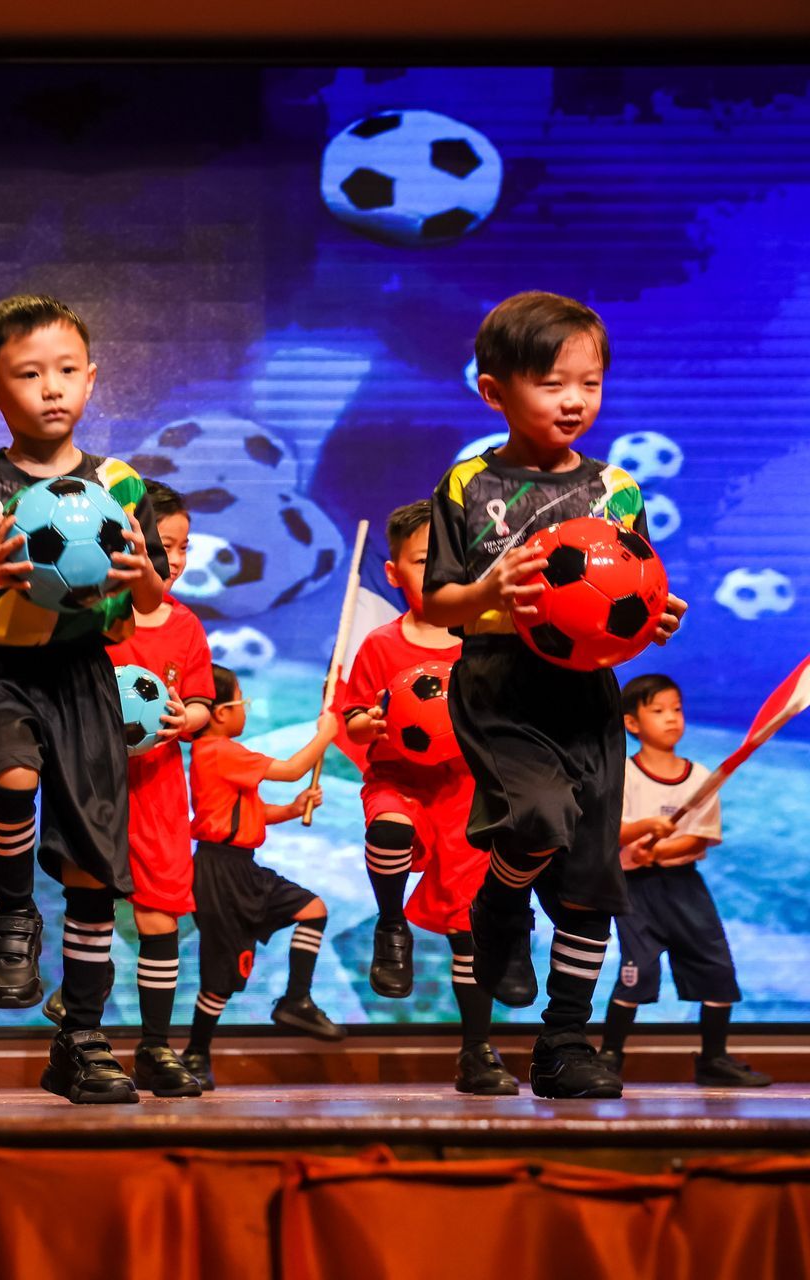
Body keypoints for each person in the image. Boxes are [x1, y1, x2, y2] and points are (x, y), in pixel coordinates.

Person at [422, 291, 684, 1099]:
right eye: (550, 383)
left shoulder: (618, 490)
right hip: (502, 690)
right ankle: (501, 908)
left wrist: (653, 617)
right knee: (535, 819)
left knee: (592, 878)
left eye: (591, 383)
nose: (574, 401)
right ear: (494, 391)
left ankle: (564, 1044)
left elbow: (629, 592)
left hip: (587, 698)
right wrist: (489, 587)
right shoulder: (468, 483)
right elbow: (438, 603)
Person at [0, 294, 169, 1105]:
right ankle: (12, 911)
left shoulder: (119, 483)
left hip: (83, 679)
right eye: (29, 375)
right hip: (0, 673)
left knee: (93, 871)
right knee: (14, 778)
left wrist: (144, 580)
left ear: (92, 378)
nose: (52, 388)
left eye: (67, 371)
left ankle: (83, 1040)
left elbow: (150, 599)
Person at [40, 479, 210, 1098]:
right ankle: (84, 1030)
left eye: (186, 546)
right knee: (94, 906)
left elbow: (199, 705)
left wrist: (182, 719)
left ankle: (158, 1048)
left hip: (160, 788)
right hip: (95, 783)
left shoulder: (187, 625)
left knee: (160, 916)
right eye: (166, 544)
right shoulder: (96, 616)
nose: (177, 558)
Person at [341, 500, 516, 1096]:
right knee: (388, 827)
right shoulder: (381, 647)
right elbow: (355, 718)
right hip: (400, 781)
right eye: (423, 561)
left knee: (472, 922)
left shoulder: (488, 642)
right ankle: (391, 925)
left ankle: (476, 1049)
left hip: (468, 793)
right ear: (394, 574)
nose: (441, 571)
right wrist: (367, 726)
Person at [597, 675, 770, 1088]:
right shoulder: (623, 774)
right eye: (658, 711)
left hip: (684, 886)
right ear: (632, 724)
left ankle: (713, 1058)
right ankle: (608, 1057)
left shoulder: (700, 776)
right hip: (635, 891)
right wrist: (641, 831)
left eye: (676, 709)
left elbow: (702, 836)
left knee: (716, 966)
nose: (671, 719)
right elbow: (607, 831)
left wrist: (657, 851)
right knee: (638, 972)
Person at [182, 666, 343, 1090]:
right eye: (242, 702)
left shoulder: (222, 755)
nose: (245, 711)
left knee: (312, 909)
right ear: (219, 713)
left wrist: (290, 809)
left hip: (240, 866)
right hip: (220, 870)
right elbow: (291, 769)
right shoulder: (220, 750)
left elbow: (244, 812)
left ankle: (296, 998)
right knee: (222, 976)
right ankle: (196, 1051)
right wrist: (327, 733)